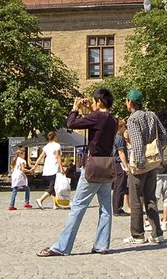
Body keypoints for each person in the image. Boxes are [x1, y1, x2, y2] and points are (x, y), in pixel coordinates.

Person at [37, 88, 118, 257]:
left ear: (99, 102)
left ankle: (62, 247)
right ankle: (102, 245)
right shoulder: (113, 120)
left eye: (94, 101)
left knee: (78, 207)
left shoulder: (96, 117)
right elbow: (98, 122)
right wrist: (89, 108)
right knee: (106, 209)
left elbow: (71, 123)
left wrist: (75, 108)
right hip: (107, 166)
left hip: (93, 167)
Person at [123, 88, 167, 245]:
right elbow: (163, 134)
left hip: (140, 163)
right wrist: (157, 149)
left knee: (135, 199)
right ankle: (157, 233)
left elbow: (137, 143)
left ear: (130, 102)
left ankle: (137, 235)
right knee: (150, 198)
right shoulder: (151, 115)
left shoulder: (133, 119)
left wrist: (139, 163)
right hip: (152, 162)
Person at [34, 131, 62, 210]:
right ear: (55, 136)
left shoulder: (46, 146)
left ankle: (55, 204)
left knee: (53, 186)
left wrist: (35, 166)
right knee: (52, 187)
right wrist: (62, 168)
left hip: (47, 168)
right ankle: (40, 199)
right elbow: (58, 157)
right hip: (54, 168)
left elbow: (41, 157)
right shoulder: (57, 145)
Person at [112, 119, 131, 216]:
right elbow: (121, 152)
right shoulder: (119, 137)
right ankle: (117, 209)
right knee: (120, 186)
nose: (125, 128)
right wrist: (126, 166)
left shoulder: (114, 136)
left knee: (117, 187)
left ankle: (117, 208)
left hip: (116, 163)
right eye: (124, 126)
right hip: (119, 164)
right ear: (120, 127)